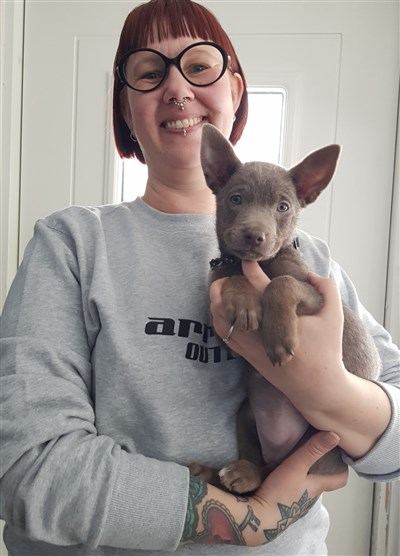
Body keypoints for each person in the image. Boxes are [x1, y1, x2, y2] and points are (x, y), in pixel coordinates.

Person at [0, 0, 399, 554]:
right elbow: (27, 465)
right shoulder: (72, 243)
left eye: (200, 66)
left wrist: (329, 391)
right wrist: (248, 518)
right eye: (149, 72)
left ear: (236, 90)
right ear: (125, 109)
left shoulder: (312, 260)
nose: (177, 88)